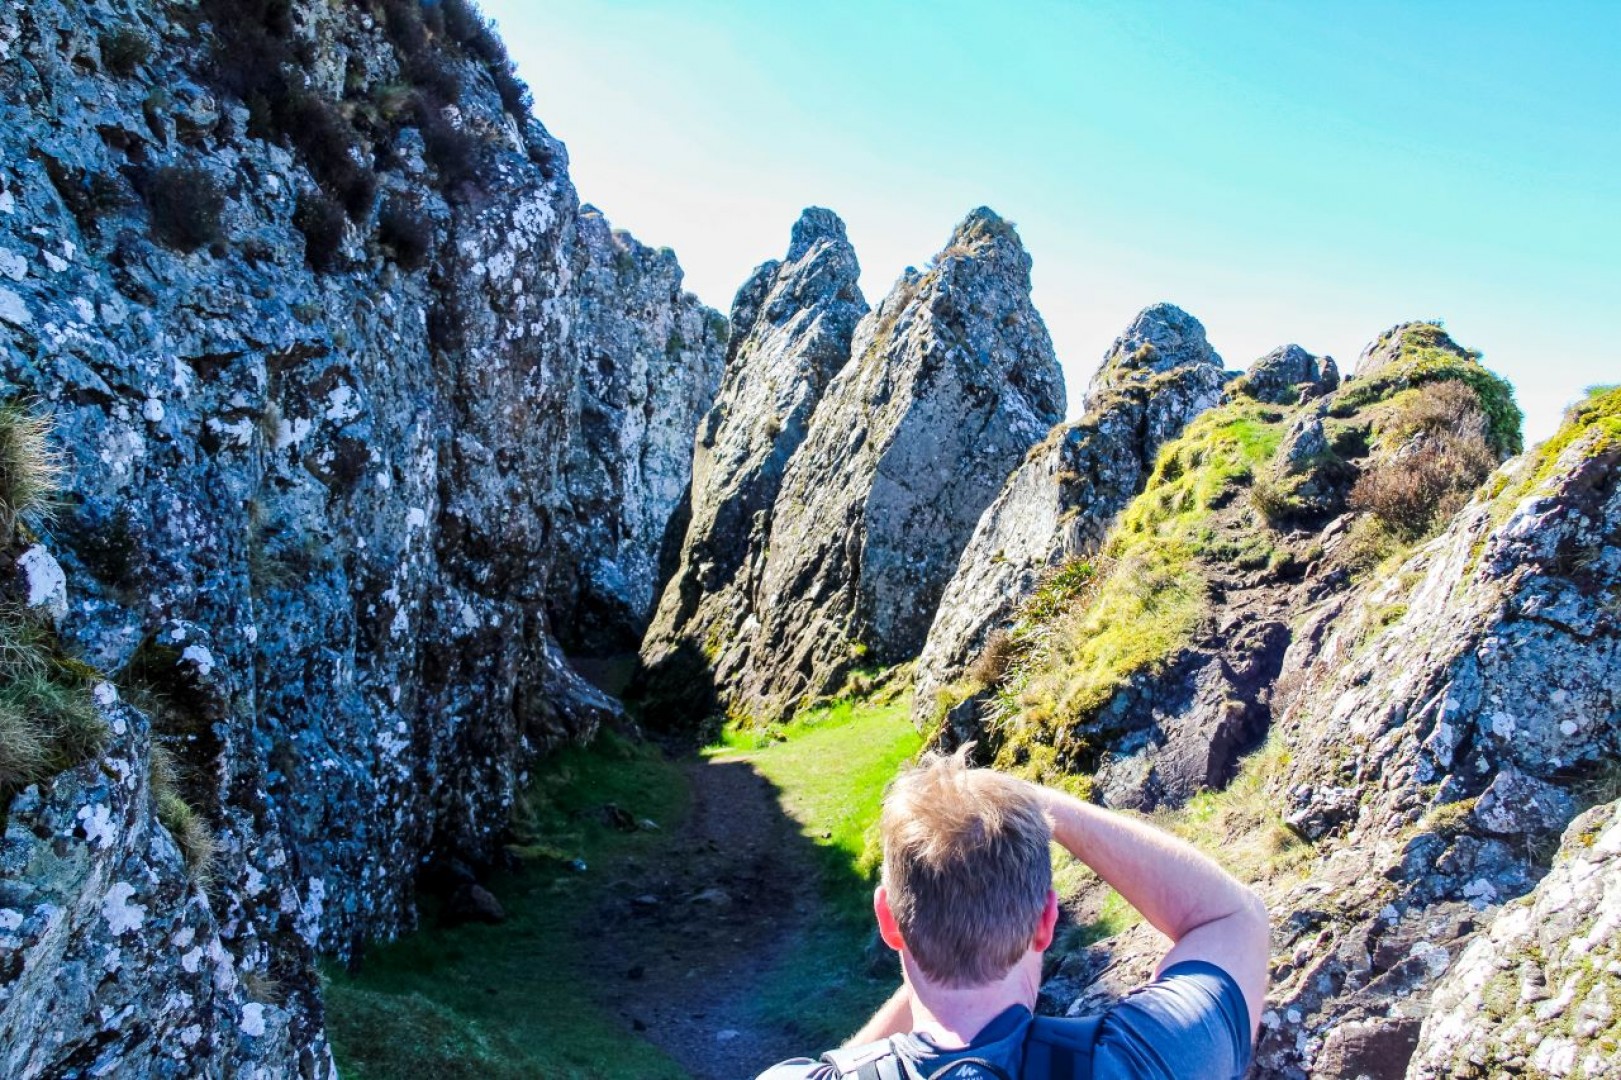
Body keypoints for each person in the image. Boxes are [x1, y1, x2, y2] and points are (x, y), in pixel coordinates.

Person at [755, 747, 1269, 1079]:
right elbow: (1232, 918)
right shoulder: (1138, 1060)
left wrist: (930, 944)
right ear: (1047, 919)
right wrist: (1044, 804)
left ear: (889, 922)